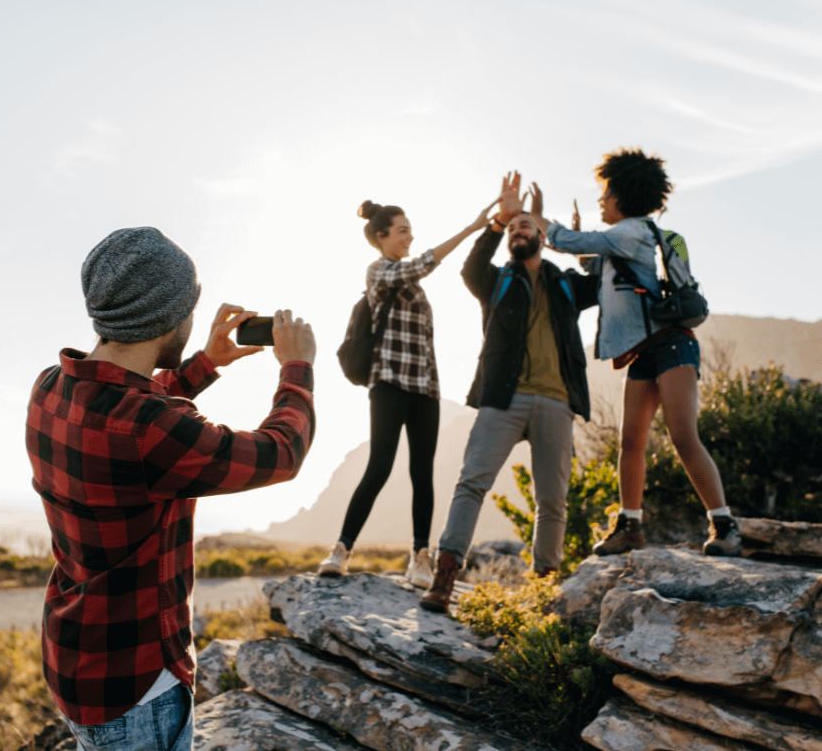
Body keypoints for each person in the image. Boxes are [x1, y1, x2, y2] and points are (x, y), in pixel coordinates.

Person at [25, 226, 316, 751]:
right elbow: (281, 454)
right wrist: (297, 368)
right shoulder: (149, 429)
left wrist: (206, 364)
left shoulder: (51, 387)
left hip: (75, 659)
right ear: (167, 318)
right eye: (189, 308)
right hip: (138, 686)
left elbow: (131, 408)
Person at [543, 147, 741, 557]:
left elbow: (575, 242)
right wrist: (585, 251)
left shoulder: (632, 230)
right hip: (644, 352)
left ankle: (724, 526)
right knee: (630, 443)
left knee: (683, 436)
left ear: (624, 196)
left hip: (672, 344)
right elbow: (597, 266)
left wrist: (544, 223)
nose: (601, 200)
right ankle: (629, 525)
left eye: (605, 193)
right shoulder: (622, 242)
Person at [419, 173, 599, 613]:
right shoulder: (496, 280)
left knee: (552, 501)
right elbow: (468, 269)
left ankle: (544, 587)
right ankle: (445, 575)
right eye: (513, 229)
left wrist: (569, 243)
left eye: (526, 226)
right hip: (502, 398)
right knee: (471, 483)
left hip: (557, 401)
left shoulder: (565, 284)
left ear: (541, 234)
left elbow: (602, 281)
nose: (518, 231)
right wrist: (497, 223)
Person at [318, 198, 497, 587]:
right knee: (379, 465)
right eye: (402, 230)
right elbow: (425, 264)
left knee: (422, 472)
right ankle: (341, 550)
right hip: (388, 382)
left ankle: (420, 559)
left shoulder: (411, 284)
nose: (410, 236)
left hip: (425, 387)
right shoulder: (379, 271)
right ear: (382, 237)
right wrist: (470, 229)